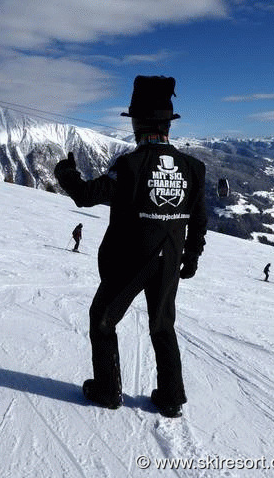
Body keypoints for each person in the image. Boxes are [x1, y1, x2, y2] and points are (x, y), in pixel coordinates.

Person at [54, 76, 207, 418]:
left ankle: (108, 390)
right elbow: (198, 218)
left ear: (137, 124)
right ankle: (171, 397)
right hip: (170, 259)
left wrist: (66, 173)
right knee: (163, 325)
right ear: (168, 124)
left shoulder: (129, 166)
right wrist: (192, 254)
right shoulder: (194, 169)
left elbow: (86, 195)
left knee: (103, 319)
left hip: (131, 260)